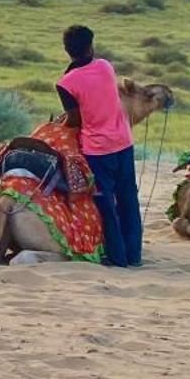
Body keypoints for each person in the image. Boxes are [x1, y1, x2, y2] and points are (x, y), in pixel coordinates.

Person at [57, 25, 140, 267]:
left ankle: (117, 258)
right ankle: (134, 256)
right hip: (123, 142)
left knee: (106, 205)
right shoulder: (105, 66)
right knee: (128, 199)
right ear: (91, 46)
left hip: (97, 150)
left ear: (66, 51)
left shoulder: (65, 84)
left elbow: (75, 119)